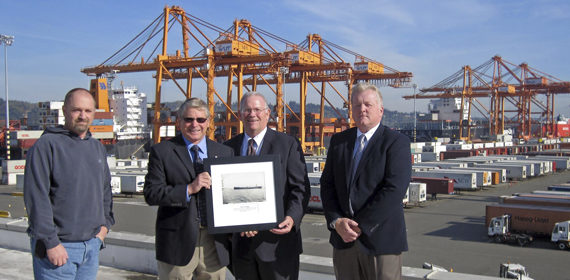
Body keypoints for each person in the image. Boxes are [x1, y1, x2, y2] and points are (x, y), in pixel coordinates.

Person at [320, 83, 411, 280]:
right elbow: (327, 185)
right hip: (344, 241)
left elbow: (394, 190)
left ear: (380, 109)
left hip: (380, 242)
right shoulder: (339, 142)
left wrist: (359, 225)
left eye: (368, 104)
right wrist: (336, 222)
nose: (362, 109)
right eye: (357, 105)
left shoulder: (396, 142)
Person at [24, 88, 115, 279]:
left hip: (91, 248)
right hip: (58, 251)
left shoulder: (97, 148)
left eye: (88, 111)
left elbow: (105, 191)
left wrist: (104, 228)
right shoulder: (46, 145)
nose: (83, 116)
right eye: (76, 110)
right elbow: (36, 198)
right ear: (65, 111)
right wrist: (51, 243)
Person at [144, 98, 233, 280]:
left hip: (213, 242)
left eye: (200, 120)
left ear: (208, 123)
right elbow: (152, 194)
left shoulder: (224, 152)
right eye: (188, 119)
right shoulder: (163, 151)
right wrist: (189, 189)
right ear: (179, 122)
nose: (195, 124)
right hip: (178, 240)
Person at [224, 92, 310, 280]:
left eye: (257, 109)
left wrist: (292, 217)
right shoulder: (228, 148)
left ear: (267, 113)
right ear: (240, 114)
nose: (252, 114)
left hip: (279, 244)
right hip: (241, 246)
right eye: (247, 110)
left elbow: (300, 188)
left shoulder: (288, 144)